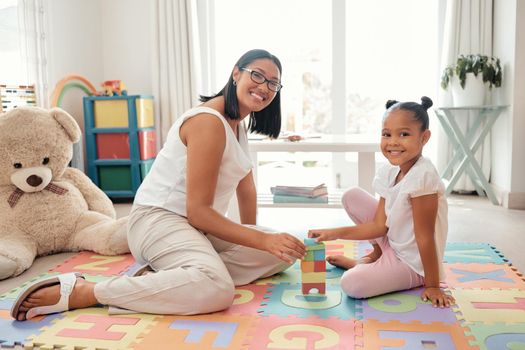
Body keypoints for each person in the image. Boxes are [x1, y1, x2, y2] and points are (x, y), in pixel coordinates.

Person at [12, 49, 306, 321]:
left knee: (283, 252)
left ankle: (170, 276)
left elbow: (246, 188)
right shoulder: (209, 122)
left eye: (273, 83)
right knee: (218, 289)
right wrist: (258, 240)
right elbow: (199, 213)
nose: (265, 86)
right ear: (235, 73)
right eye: (257, 75)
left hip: (197, 229)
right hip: (158, 221)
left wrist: (254, 237)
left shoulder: (236, 124)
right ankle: (87, 292)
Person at [308, 96, 455, 308]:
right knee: (352, 196)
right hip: (393, 243)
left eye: (404, 134)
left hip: (412, 263)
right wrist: (333, 233)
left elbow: (425, 237)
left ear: (424, 138)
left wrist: (433, 285)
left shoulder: (423, 177)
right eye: (386, 134)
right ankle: (374, 258)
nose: (393, 142)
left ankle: (402, 273)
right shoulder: (390, 169)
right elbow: (378, 226)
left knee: (352, 283)